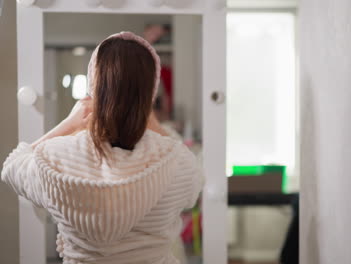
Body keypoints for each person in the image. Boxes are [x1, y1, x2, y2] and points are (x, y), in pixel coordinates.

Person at [1, 32, 203, 264]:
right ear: (150, 93)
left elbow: (12, 166)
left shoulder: (57, 156)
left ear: (93, 88)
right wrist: (151, 119)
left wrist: (69, 123)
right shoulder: (177, 161)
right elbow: (195, 188)